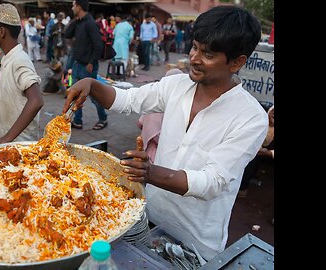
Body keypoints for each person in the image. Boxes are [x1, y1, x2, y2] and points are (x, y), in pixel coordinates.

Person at [63, 6, 268, 261]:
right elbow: (129, 99)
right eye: (194, 47)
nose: (194, 58)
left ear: (237, 62)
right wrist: (93, 84)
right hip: (148, 218)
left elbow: (213, 182)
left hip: (195, 243)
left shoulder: (250, 117)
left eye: (208, 54)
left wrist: (151, 173)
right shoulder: (176, 85)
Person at [0, 3, 43, 147]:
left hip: (21, 145)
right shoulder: (10, 58)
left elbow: (36, 101)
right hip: (10, 143)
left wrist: (4, 139)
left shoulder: (20, 60)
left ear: (1, 31)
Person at [64, 0, 108, 130]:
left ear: (79, 6)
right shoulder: (79, 22)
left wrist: (91, 62)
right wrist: (75, 20)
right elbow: (67, 34)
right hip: (77, 64)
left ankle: (103, 118)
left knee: (94, 96)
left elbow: (98, 45)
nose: (72, 8)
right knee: (76, 94)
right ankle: (77, 120)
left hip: (87, 66)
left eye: (73, 5)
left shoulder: (90, 23)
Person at [137, 68, 183, 163]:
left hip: (146, 147)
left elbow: (139, 123)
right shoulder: (178, 104)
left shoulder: (155, 101)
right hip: (159, 153)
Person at [238, 105, 274, 198]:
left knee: (253, 159)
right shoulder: (257, 111)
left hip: (266, 153)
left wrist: (269, 153)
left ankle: (242, 188)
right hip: (248, 144)